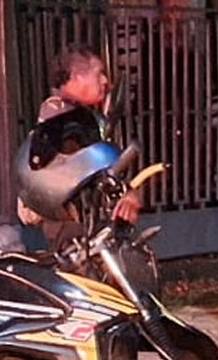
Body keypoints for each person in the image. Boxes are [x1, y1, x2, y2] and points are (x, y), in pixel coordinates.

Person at [17, 44, 139, 252]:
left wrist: (128, 193)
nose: (105, 81)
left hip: (84, 221)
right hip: (66, 223)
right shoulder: (57, 115)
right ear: (76, 76)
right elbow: (89, 164)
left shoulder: (83, 117)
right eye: (98, 74)